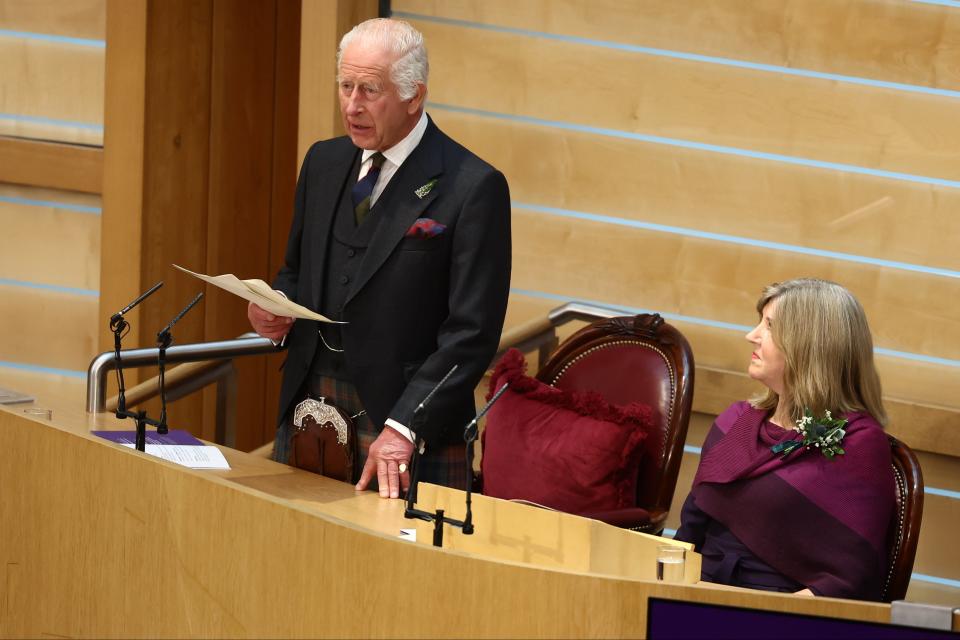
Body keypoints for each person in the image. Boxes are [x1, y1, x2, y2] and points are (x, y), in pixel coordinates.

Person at [247, 18, 511, 500]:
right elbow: (295, 270)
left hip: (406, 428)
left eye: (369, 90)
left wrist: (405, 427)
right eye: (346, 86)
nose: (352, 105)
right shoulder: (323, 163)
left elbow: (471, 334)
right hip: (310, 405)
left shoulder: (473, 187)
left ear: (415, 96)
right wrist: (274, 304)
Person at [674, 278, 895, 600]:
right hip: (695, 593)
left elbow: (850, 579)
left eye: (770, 326)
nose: (751, 335)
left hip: (779, 612)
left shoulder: (858, 443)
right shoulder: (735, 420)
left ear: (810, 345)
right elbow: (688, 533)